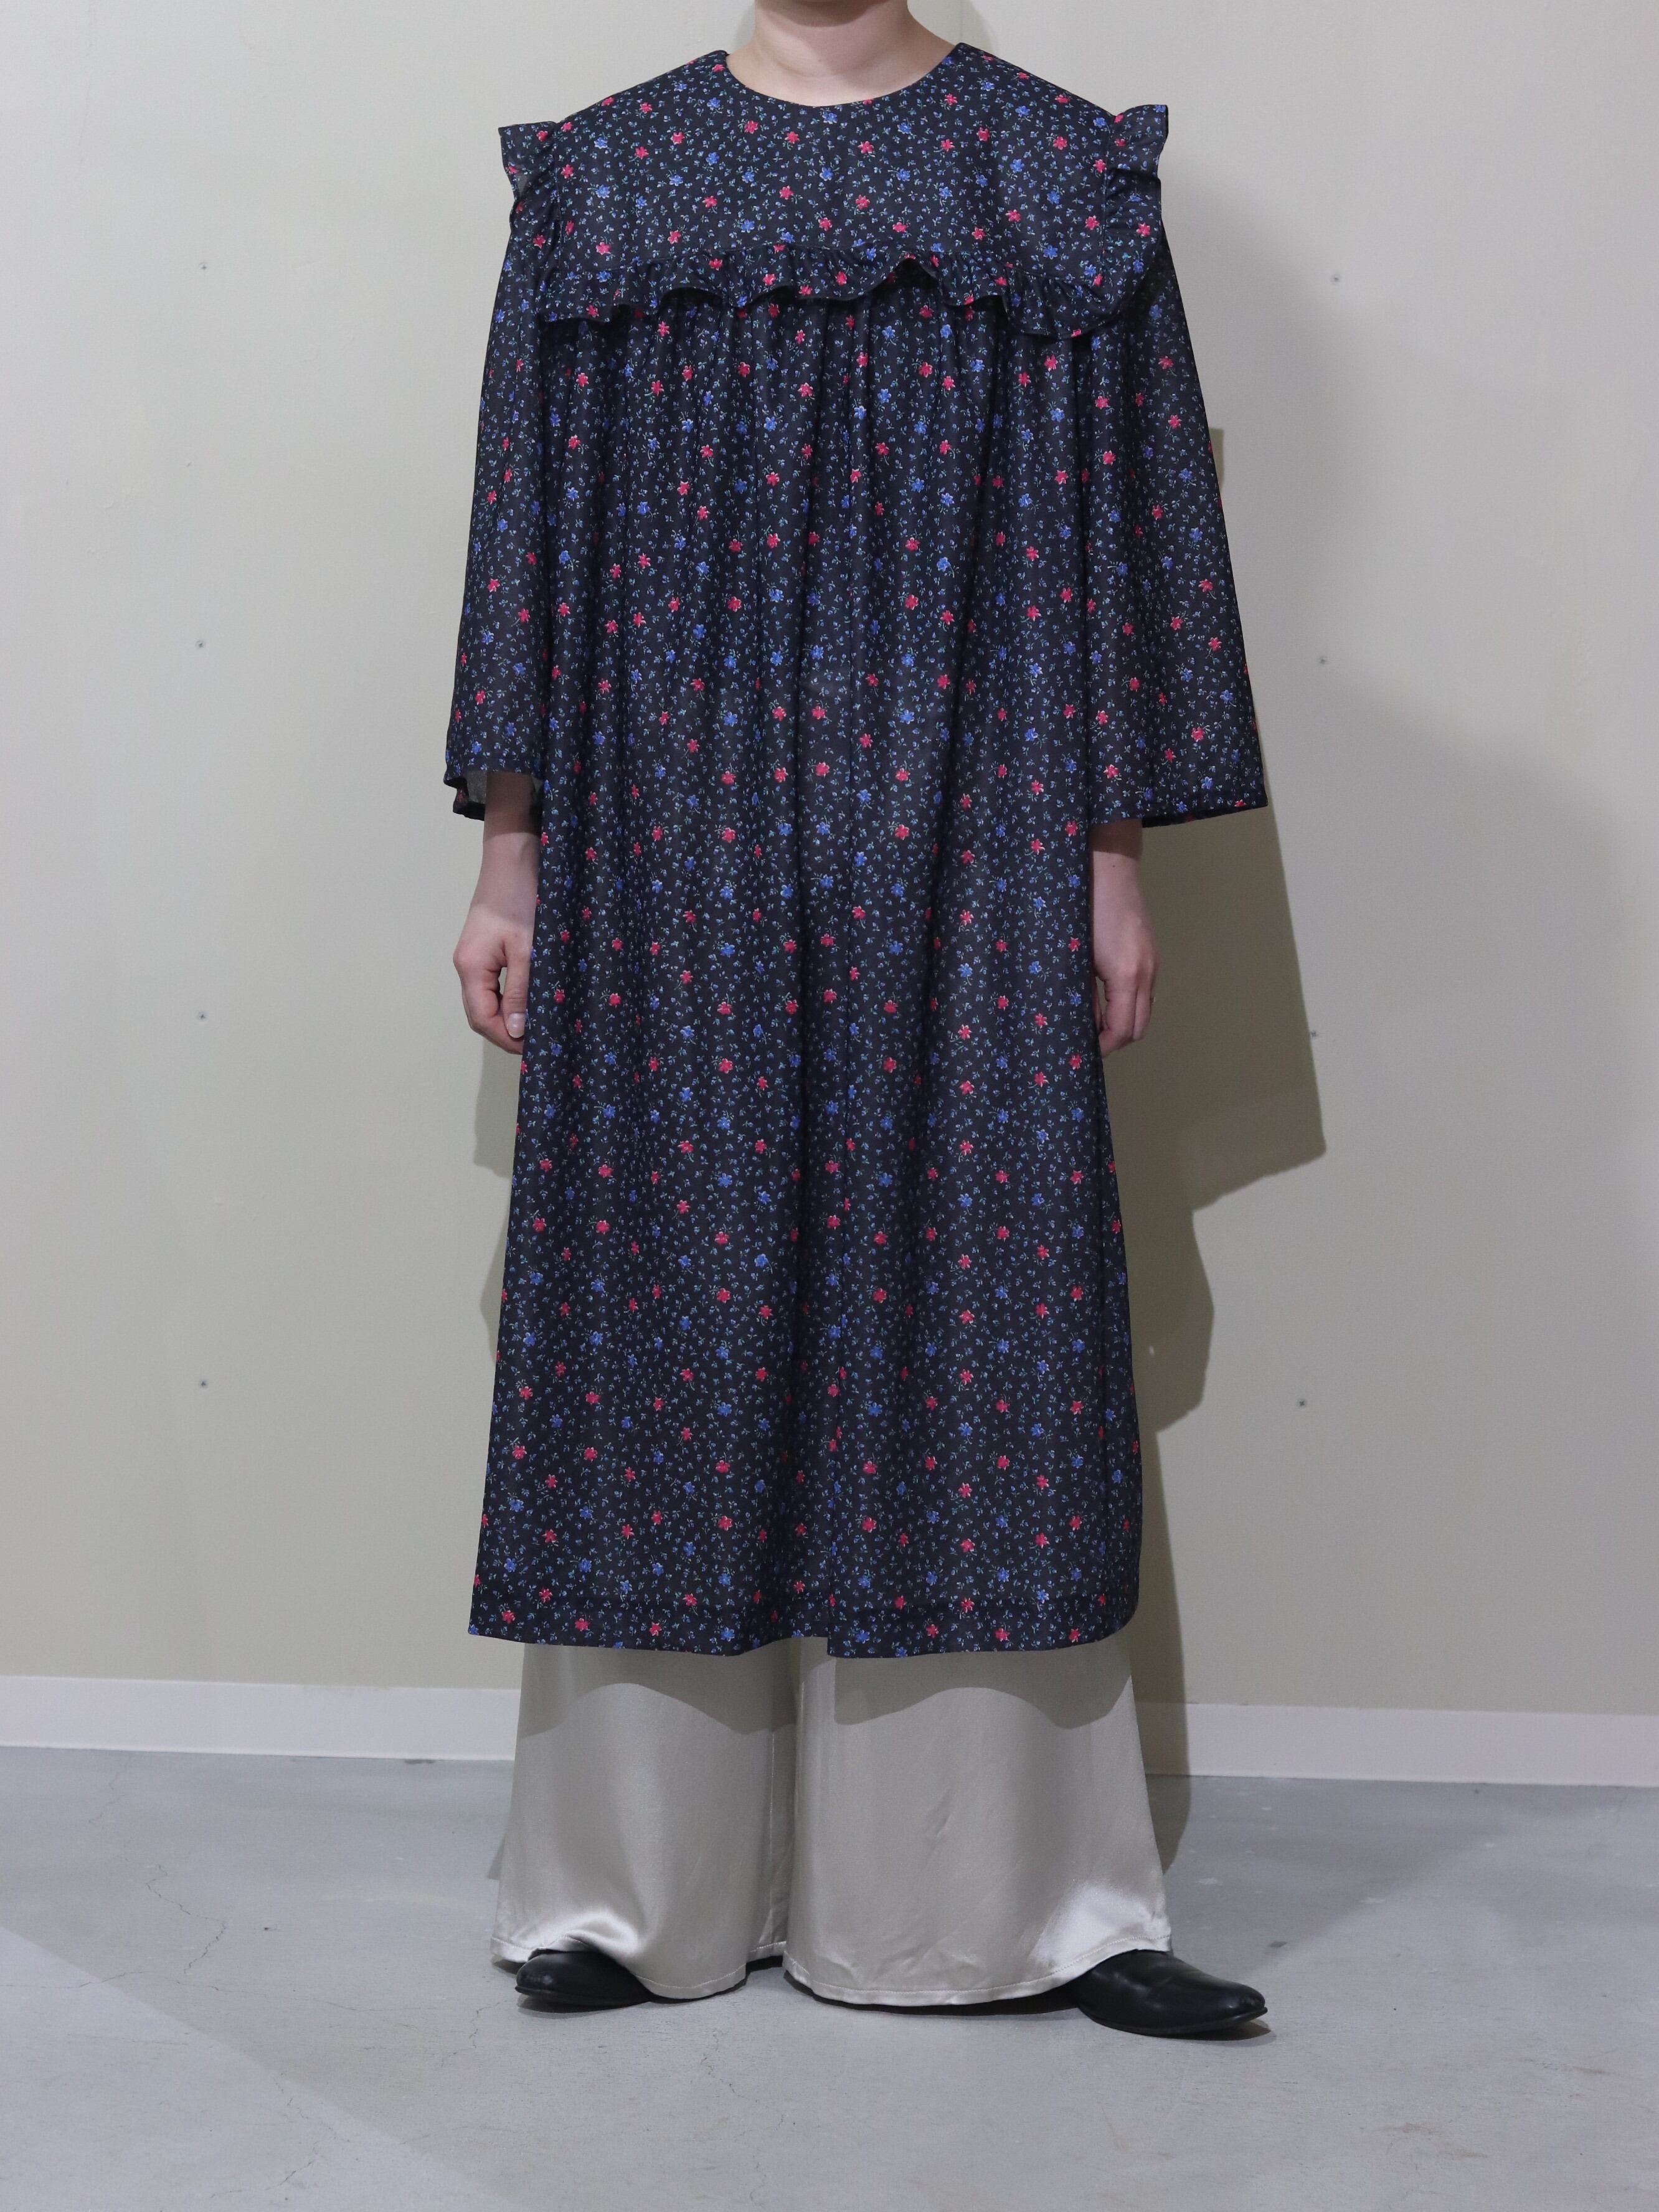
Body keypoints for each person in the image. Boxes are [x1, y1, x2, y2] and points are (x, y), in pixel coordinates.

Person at [445, 0, 1269, 2036]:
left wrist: (1112, 856)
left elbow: (1135, 527)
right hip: (662, 807)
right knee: (667, 1308)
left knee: (978, 1318)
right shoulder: (607, 182)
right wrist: (510, 854)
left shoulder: (1054, 180)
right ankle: (633, 1893)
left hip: (987, 796)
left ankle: (1014, 1903)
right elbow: (526, 521)